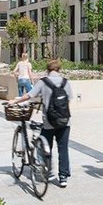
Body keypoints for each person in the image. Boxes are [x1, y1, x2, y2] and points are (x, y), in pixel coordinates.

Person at [8, 59, 73, 188]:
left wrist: (15, 102)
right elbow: (69, 100)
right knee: (63, 148)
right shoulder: (66, 82)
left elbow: (29, 95)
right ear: (59, 69)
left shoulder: (43, 82)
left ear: (48, 70)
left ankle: (47, 172)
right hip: (65, 121)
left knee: (42, 146)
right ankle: (63, 177)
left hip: (49, 122)